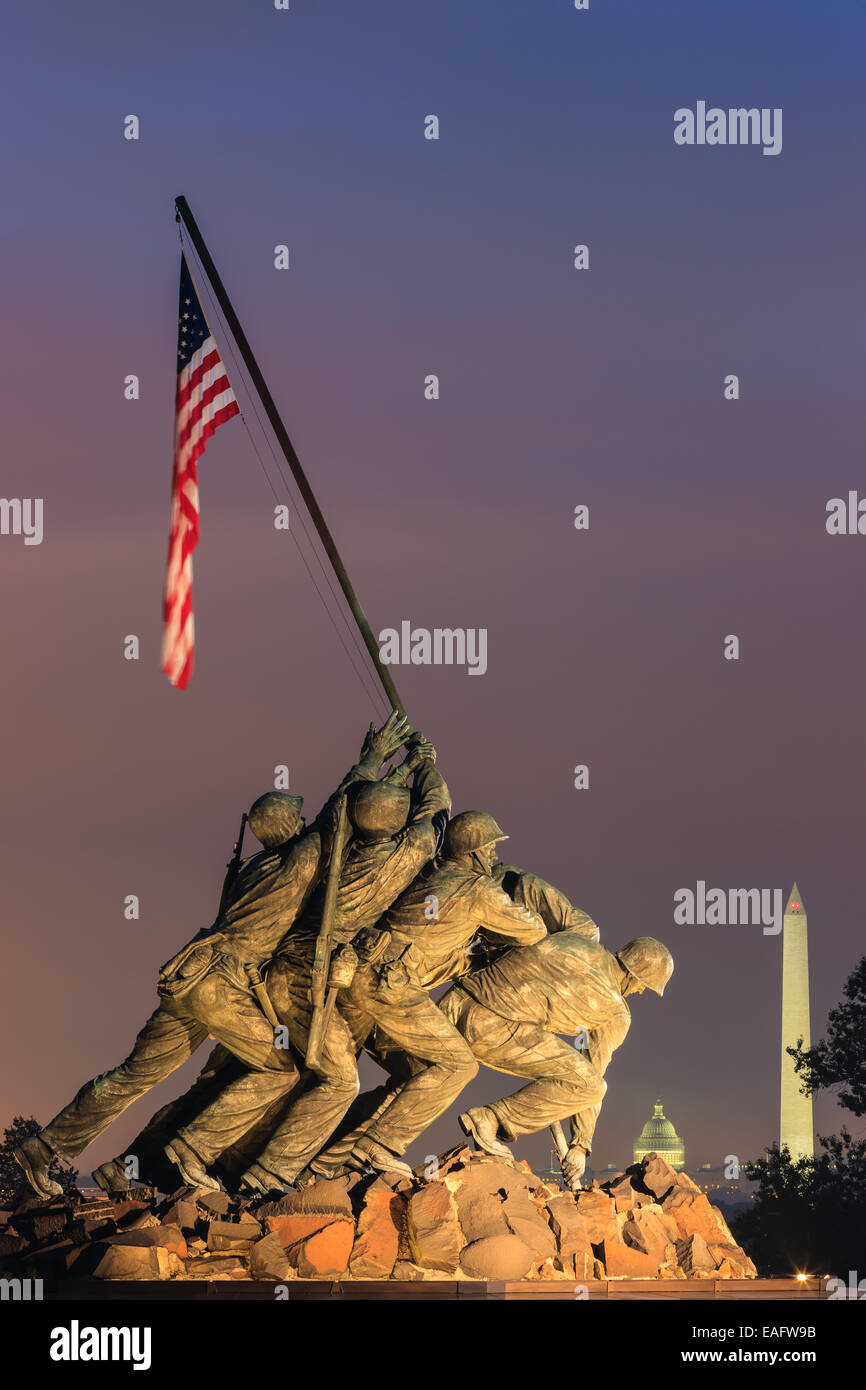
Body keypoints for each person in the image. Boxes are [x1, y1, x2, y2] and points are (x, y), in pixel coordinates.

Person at [13, 714, 411, 1199]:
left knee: (132, 1075)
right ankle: (189, 1152)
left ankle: (47, 1147)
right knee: (280, 1068)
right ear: (289, 827)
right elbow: (340, 811)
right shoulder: (297, 860)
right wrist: (373, 757)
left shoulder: (253, 867)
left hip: (188, 975)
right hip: (221, 984)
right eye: (299, 819)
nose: (307, 823)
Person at [168, 736, 451, 1191]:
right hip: (306, 980)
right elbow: (437, 814)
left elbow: (341, 808)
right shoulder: (401, 857)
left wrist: (388, 765)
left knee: (291, 1069)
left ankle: (232, 1160)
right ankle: (259, 1169)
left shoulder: (336, 850)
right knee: (340, 1080)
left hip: (274, 974)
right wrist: (426, 766)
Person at [439, 931, 674, 1189]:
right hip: (490, 1026)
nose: (640, 991)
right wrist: (581, 1146)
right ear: (635, 973)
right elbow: (592, 1075)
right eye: (644, 985)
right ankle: (490, 1118)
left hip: (454, 1001)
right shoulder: (615, 1011)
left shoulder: (577, 940)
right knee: (591, 1086)